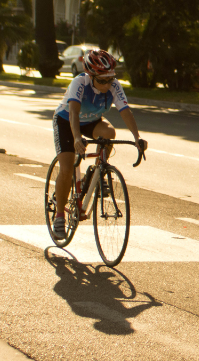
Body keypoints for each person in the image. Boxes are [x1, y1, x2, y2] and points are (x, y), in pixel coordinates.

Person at [51, 49, 147, 239]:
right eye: (101, 80)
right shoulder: (79, 83)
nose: (106, 84)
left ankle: (98, 170)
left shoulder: (114, 85)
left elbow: (126, 111)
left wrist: (137, 137)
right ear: (91, 76)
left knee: (109, 132)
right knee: (67, 167)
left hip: (92, 122)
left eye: (109, 79)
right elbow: (74, 114)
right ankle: (60, 216)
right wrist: (77, 138)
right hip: (67, 120)